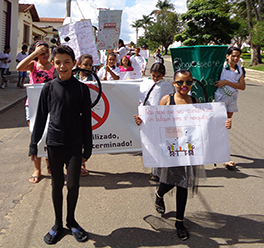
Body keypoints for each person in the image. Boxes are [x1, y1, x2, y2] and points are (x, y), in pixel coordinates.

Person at [135, 69, 232, 241]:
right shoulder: (167, 100)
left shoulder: (196, 101)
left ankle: (179, 222)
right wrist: (141, 121)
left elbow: (207, 124)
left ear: (192, 83)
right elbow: (154, 121)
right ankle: (159, 194)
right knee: (168, 182)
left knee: (183, 184)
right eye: (180, 82)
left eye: (188, 82)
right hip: (170, 150)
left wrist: (223, 123)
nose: (184, 86)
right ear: (174, 83)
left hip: (189, 149)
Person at [29, 45, 92, 244]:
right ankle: (57, 223)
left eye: (66, 62)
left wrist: (87, 148)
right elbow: (40, 119)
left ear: (74, 64)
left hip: (74, 146)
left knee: (73, 185)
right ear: (53, 65)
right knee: (57, 185)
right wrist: (33, 145)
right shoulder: (48, 88)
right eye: (58, 62)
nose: (62, 66)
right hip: (54, 145)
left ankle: (71, 221)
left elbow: (86, 121)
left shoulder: (82, 89)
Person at [17, 41, 56, 183]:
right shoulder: (32, 66)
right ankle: (37, 169)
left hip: (50, 106)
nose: (45, 55)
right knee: (36, 136)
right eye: (42, 52)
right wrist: (34, 54)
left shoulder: (54, 67)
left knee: (49, 136)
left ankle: (49, 163)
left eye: (46, 52)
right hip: (33, 106)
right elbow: (19, 67)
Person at [134, 63, 175, 180]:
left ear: (164, 75)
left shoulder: (167, 86)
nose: (155, 78)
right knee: (151, 145)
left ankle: (160, 171)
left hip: (162, 118)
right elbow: (141, 99)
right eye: (153, 75)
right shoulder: (145, 83)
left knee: (162, 145)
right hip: (148, 118)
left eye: (158, 76)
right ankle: (155, 171)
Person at [214, 46, 246, 170]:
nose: (235, 58)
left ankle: (222, 154)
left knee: (226, 128)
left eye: (238, 56)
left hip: (232, 101)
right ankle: (224, 157)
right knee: (222, 127)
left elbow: (242, 86)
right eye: (233, 55)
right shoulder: (221, 67)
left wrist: (226, 82)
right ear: (227, 56)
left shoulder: (239, 69)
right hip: (220, 100)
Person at [74, 53, 95, 177]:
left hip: (86, 112)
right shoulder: (72, 77)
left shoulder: (93, 79)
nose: (88, 67)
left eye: (90, 65)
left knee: (83, 139)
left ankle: (82, 164)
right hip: (73, 113)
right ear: (79, 64)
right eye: (85, 64)